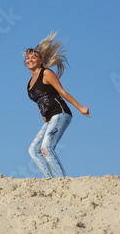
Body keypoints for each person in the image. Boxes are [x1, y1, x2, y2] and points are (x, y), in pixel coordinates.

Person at [25, 32, 90, 178]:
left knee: (46, 148)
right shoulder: (29, 84)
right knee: (33, 149)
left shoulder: (47, 73)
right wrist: (44, 120)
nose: (30, 60)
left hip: (60, 113)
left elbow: (62, 92)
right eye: (27, 58)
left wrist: (80, 107)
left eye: (33, 57)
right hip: (49, 118)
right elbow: (40, 104)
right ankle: (49, 178)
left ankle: (62, 180)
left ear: (41, 60)